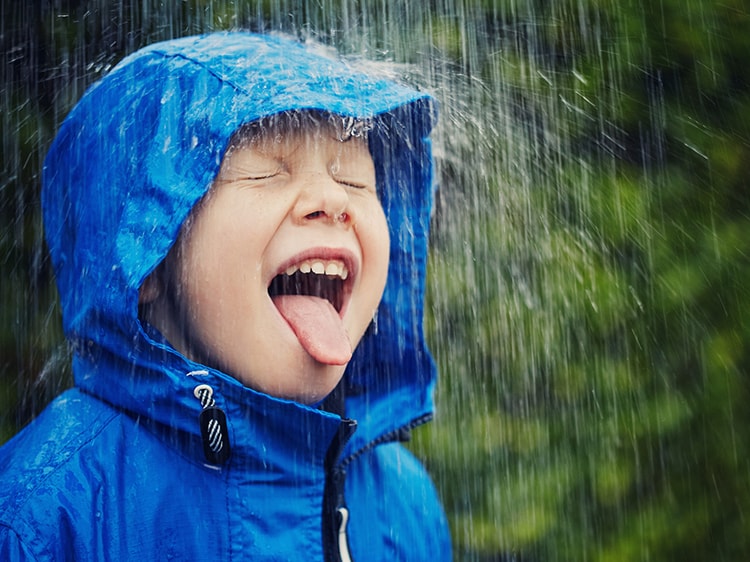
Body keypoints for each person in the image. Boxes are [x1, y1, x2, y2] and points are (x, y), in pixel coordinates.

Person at [0, 31, 451, 561]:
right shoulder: (45, 514)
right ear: (149, 253)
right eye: (265, 170)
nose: (331, 200)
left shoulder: (404, 501)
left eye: (354, 180)